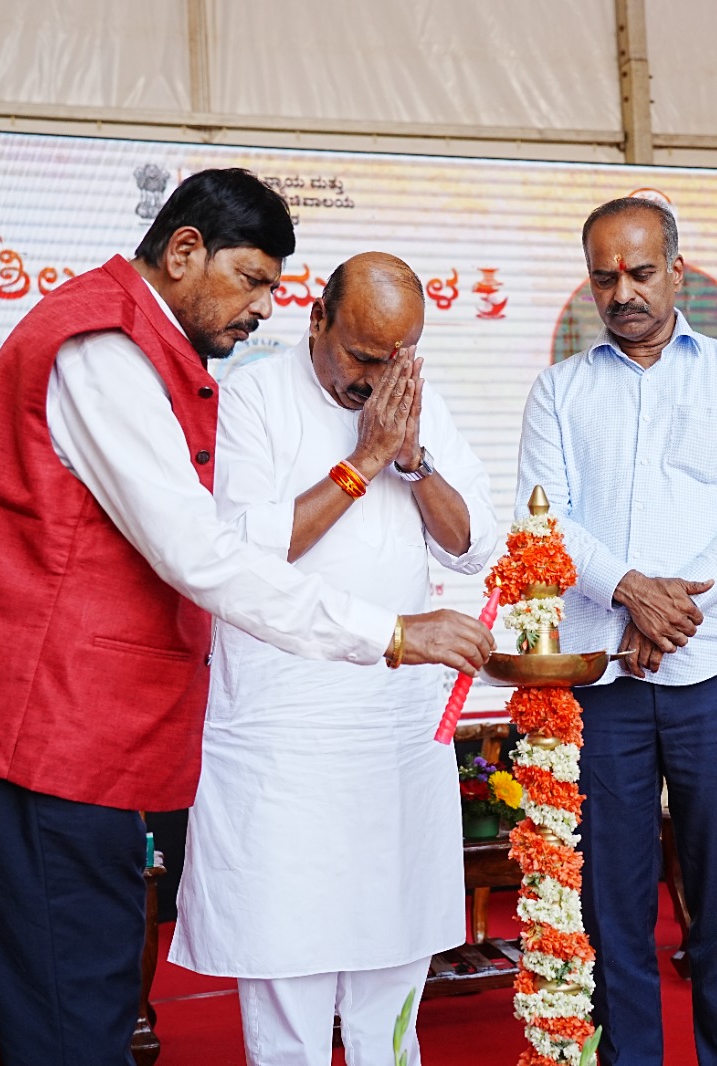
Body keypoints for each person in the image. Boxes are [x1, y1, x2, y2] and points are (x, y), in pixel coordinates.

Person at [0, 171, 494, 1066]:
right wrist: (392, 631)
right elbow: (205, 555)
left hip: (87, 734)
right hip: (38, 725)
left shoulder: (148, 352)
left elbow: (473, 544)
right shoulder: (105, 351)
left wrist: (408, 464)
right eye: (252, 281)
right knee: (75, 1007)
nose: (263, 308)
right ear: (186, 251)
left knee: (93, 990)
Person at [169, 252, 499, 1065]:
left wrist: (414, 461)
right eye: (362, 356)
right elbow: (242, 557)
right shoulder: (249, 400)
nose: (377, 380)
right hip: (285, 747)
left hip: (395, 739)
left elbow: (471, 545)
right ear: (316, 319)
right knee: (291, 976)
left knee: (395, 984)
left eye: (397, 359)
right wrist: (368, 460)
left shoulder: (414, 403)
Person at [516, 197, 717, 1066]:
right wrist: (630, 591)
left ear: (677, 271)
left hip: (715, 669)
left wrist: (677, 606)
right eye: (605, 278)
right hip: (603, 675)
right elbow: (545, 522)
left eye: (640, 272)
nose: (623, 293)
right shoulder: (559, 389)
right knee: (610, 900)